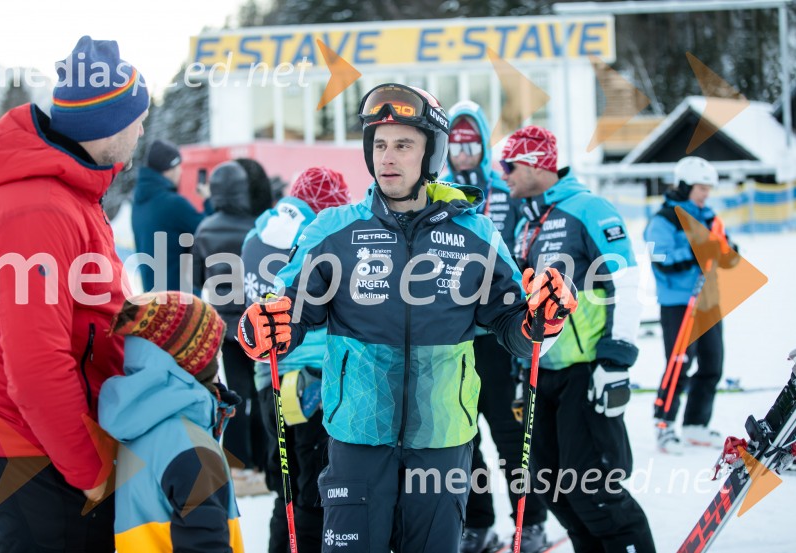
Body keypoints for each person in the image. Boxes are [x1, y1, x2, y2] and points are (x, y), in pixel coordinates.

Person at [237, 83, 577, 553]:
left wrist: (543, 319)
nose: (387, 157)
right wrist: (268, 328)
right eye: (379, 144)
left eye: (403, 144)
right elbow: (291, 314)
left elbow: (516, 329)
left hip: (441, 439)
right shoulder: (334, 230)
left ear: (430, 153)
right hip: (357, 437)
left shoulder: (475, 233)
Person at [0, 36, 149, 551]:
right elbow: (34, 365)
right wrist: (89, 469)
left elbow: (90, 316)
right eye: (136, 117)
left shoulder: (69, 193)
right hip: (36, 458)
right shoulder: (39, 208)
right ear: (108, 122)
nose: (140, 130)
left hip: (55, 449)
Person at [503, 125, 655, 553]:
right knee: (550, 485)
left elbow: (626, 283)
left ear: (536, 164)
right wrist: (521, 372)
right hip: (545, 372)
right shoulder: (528, 223)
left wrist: (617, 359)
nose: (504, 174)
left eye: (510, 165)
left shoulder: (588, 207)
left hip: (587, 370)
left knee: (595, 487)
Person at [442, 102, 548, 553]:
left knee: (511, 435)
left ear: (484, 143)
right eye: (456, 143)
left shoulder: (503, 188)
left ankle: (532, 520)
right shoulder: (436, 190)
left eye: (472, 142)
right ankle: (478, 522)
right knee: (463, 437)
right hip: (454, 338)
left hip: (501, 334)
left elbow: (530, 240)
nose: (464, 151)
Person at [241, 166, 352, 553]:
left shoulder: (258, 234)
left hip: (268, 378)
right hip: (311, 380)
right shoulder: (313, 241)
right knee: (313, 490)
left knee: (286, 489)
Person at [98, 291, 244, 552]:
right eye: (214, 352)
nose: (217, 362)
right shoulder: (191, 447)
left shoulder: (136, 426)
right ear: (191, 361)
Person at [645, 156, 737, 454]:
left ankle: (695, 423)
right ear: (684, 185)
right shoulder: (665, 220)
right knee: (679, 364)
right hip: (679, 303)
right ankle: (664, 423)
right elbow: (661, 262)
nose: (705, 193)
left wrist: (726, 251)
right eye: (700, 187)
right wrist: (696, 254)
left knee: (712, 362)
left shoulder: (710, 217)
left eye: (708, 188)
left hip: (708, 300)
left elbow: (728, 255)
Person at [193, 159, 273, 488]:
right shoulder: (257, 228)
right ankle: (266, 463)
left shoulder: (205, 229)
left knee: (238, 391)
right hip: (255, 322)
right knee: (262, 389)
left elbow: (196, 280)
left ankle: (240, 463)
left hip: (225, 326)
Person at [132, 138, 213, 293]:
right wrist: (208, 200)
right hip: (180, 303)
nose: (181, 171)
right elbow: (210, 231)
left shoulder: (138, 202)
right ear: (169, 169)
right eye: (178, 166)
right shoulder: (173, 204)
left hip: (152, 298)